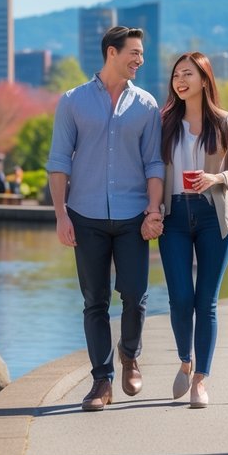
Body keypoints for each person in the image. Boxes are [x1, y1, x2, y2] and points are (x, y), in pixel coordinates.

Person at [46, 25, 164, 412]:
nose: (139, 60)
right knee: (94, 301)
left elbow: (154, 163)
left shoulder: (147, 105)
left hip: (133, 215)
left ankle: (130, 354)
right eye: (134, 52)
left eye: (142, 54)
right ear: (111, 52)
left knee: (135, 296)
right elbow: (59, 161)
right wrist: (62, 215)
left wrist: (153, 209)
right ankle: (102, 381)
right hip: (86, 215)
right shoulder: (73, 101)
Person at [158, 52, 228, 409]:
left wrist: (217, 177)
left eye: (188, 74)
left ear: (204, 79)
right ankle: (185, 360)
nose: (180, 81)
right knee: (181, 299)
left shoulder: (226, 122)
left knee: (206, 302)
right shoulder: (163, 122)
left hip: (215, 214)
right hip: (174, 216)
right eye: (176, 75)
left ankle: (201, 380)